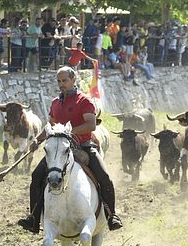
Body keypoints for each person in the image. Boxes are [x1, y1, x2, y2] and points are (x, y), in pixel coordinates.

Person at [17, 67, 123, 234]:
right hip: (59, 150)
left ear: (73, 80)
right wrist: (38, 140)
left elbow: (91, 125)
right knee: (36, 176)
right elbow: (50, 126)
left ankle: (112, 215)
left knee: (104, 177)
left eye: (64, 81)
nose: (61, 84)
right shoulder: (55, 102)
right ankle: (34, 218)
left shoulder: (85, 101)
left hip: (84, 146)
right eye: (59, 81)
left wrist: (69, 132)